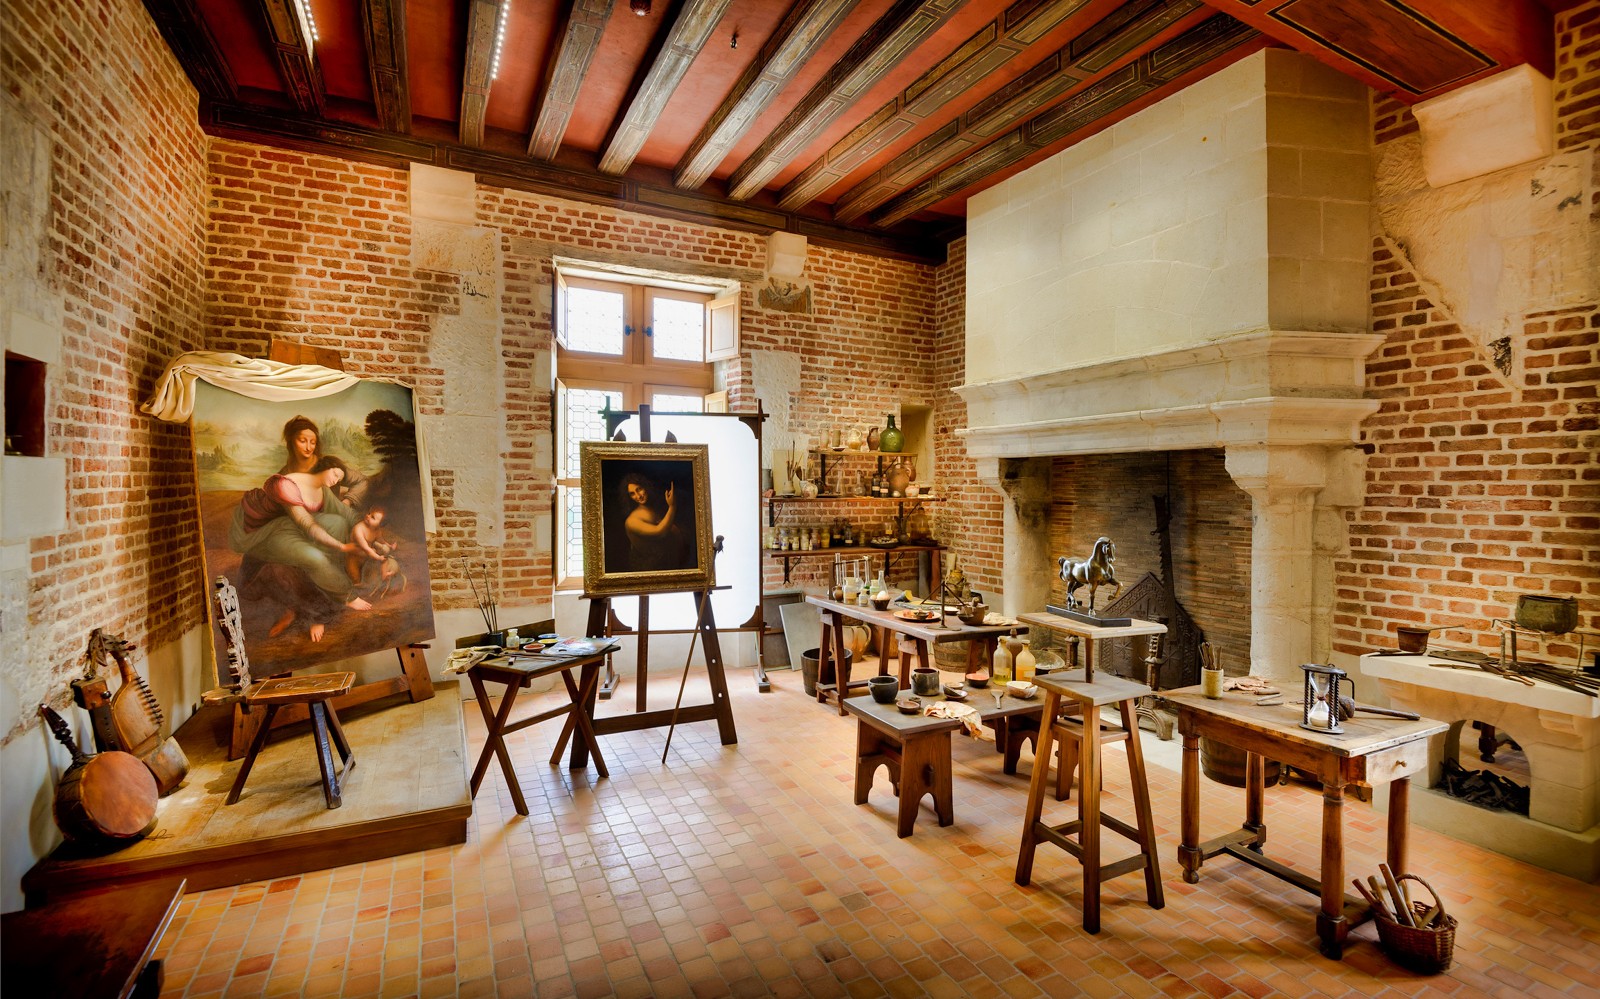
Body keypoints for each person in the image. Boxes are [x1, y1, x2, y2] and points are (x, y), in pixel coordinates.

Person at [229, 455, 380, 641]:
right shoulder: (286, 484)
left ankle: (326, 595)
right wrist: (341, 546)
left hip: (289, 526)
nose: (335, 480)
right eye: (334, 474)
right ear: (325, 467)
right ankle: (341, 599)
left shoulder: (322, 489)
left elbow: (346, 514)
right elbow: (307, 525)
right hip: (270, 534)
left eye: (339, 479)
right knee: (314, 558)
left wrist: (371, 534)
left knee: (338, 523)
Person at [617, 471, 691, 571]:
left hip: (670, 561)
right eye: (632, 494)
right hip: (652, 567)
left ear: (645, 487)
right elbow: (660, 532)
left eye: (639, 489)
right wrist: (672, 506)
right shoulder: (632, 521)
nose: (638, 496)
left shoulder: (651, 508)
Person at [345, 505, 396, 585]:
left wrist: (389, 545)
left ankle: (383, 575)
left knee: (372, 573)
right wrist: (378, 557)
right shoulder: (358, 529)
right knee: (355, 578)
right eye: (369, 513)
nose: (367, 516)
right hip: (354, 557)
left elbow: (380, 540)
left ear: (379, 524)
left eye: (372, 517)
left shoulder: (376, 530)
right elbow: (366, 548)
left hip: (367, 557)